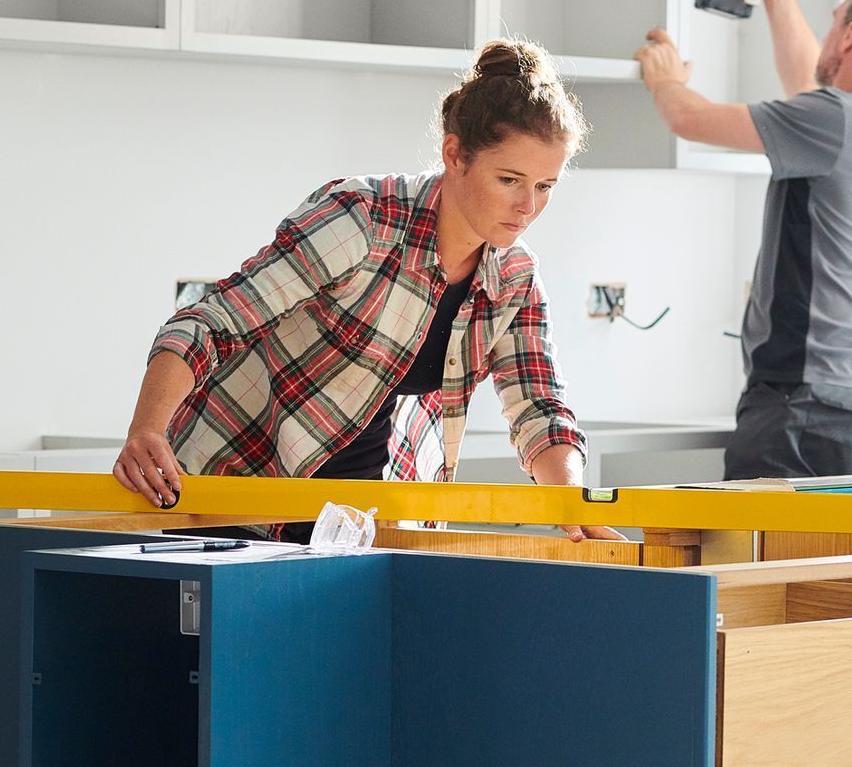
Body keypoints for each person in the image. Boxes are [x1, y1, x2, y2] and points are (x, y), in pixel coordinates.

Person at [113, 39, 618, 542]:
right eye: (510, 179)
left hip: (351, 524)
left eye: (545, 186)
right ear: (454, 154)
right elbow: (210, 324)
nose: (528, 206)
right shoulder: (361, 219)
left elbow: (539, 411)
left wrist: (574, 506)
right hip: (228, 497)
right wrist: (147, 431)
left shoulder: (515, 280)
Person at [635, 0, 852, 480]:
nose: (822, 38)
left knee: (744, 564)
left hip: (803, 410)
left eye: (833, 23)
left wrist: (665, 78)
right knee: (813, 568)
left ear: (848, 36)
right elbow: (804, 76)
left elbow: (689, 119)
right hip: (851, 408)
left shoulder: (835, 120)